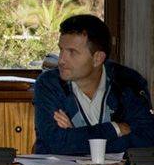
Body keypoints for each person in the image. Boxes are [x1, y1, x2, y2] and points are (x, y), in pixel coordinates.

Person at [33, 14, 154, 155]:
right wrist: (115, 129)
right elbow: (55, 143)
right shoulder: (49, 84)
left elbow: (147, 139)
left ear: (98, 58)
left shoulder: (128, 82)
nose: (61, 60)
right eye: (61, 50)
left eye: (72, 52)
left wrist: (75, 138)